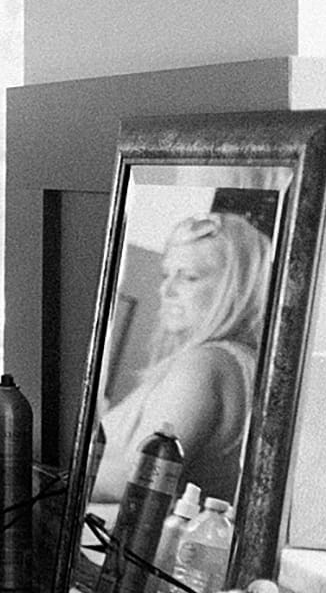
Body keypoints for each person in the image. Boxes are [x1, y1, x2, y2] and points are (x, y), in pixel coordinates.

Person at [90, 210, 270, 507]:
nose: (167, 289)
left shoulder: (205, 364)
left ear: (234, 288)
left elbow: (137, 476)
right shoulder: (231, 360)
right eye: (166, 274)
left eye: (188, 277)